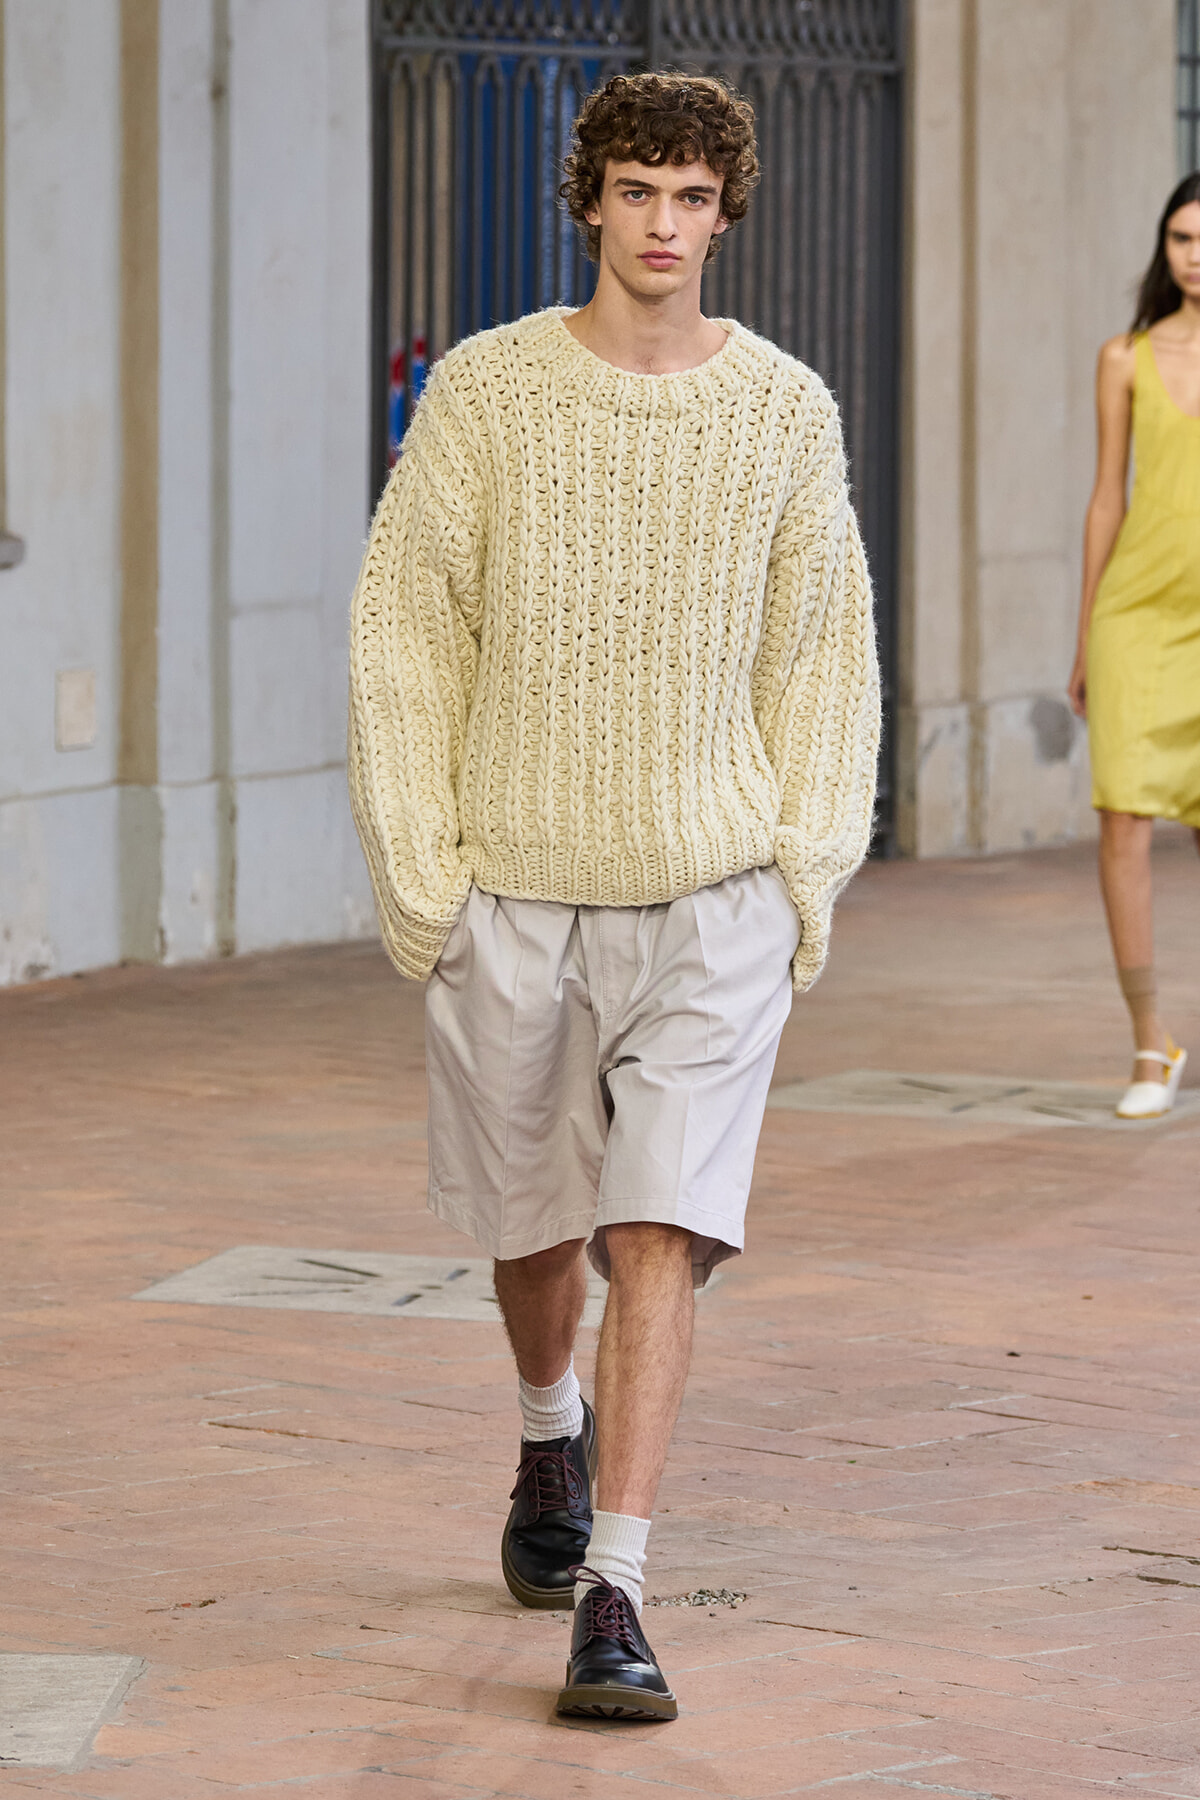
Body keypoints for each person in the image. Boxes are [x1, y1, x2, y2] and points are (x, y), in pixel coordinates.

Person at [348, 71, 879, 1720]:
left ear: (728, 214)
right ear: (589, 200)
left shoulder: (785, 411)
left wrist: (804, 874)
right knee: (536, 1236)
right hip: (512, 888)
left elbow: (821, 654)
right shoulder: (488, 397)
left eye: (693, 198)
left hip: (712, 895)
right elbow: (407, 633)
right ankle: (542, 1429)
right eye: (638, 191)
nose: (664, 225)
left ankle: (620, 1591)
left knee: (662, 1226)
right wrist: (421, 887)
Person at [1068, 171, 1200, 1121]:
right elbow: (1107, 495)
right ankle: (1150, 1043)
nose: (1196, 255)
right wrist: (1085, 634)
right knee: (1123, 819)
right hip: (1137, 618)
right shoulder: (1126, 356)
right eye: (1183, 238)